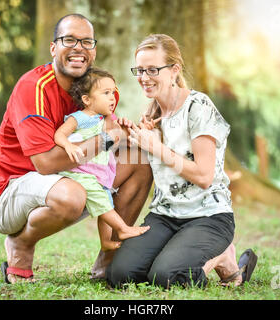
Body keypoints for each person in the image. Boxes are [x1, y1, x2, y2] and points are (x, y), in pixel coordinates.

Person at [0, 13, 153, 284]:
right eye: (69, 40)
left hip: (71, 177)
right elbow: (46, 164)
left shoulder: (98, 90)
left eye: (86, 41)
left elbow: (107, 137)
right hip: (13, 191)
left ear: (94, 51)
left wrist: (131, 134)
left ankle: (109, 264)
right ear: (53, 48)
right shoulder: (34, 88)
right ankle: (21, 244)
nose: (78, 48)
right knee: (72, 195)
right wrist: (108, 139)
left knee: (139, 162)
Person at [106, 34, 257, 289]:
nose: (144, 77)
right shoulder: (151, 115)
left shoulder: (198, 107)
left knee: (169, 278)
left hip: (208, 216)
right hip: (165, 215)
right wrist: (124, 136)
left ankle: (223, 257)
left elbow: (204, 176)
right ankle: (175, 253)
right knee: (120, 275)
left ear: (174, 70)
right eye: (139, 70)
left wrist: (156, 147)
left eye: (153, 69)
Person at [54, 67, 150, 251]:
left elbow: (118, 138)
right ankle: (123, 229)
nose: (112, 97)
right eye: (106, 93)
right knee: (102, 202)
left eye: (113, 92)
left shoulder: (104, 119)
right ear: (87, 99)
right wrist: (68, 145)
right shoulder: (79, 118)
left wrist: (134, 128)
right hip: (80, 172)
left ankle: (106, 242)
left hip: (97, 172)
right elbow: (60, 135)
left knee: (107, 202)